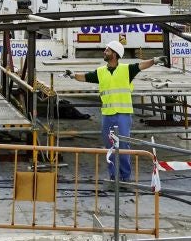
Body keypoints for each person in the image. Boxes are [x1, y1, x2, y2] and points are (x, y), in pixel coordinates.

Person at [63, 41, 155, 180]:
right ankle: (114, 176)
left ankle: (125, 177)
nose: (104, 52)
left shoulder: (126, 69)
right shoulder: (101, 72)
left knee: (123, 146)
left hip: (123, 115)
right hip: (107, 116)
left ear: (115, 54)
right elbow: (86, 77)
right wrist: (73, 75)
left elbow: (141, 65)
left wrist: (155, 60)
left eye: (107, 50)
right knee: (110, 147)